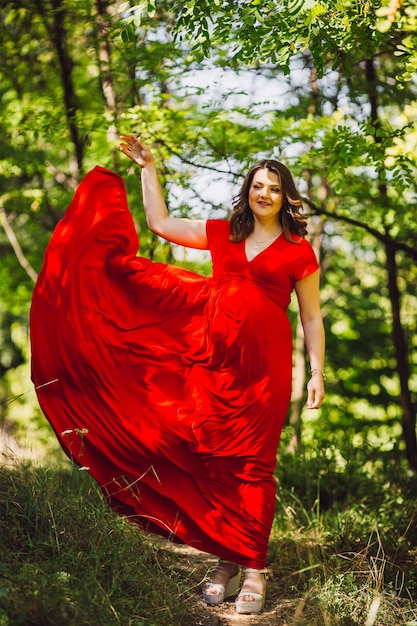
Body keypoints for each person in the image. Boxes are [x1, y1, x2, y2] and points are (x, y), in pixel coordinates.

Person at [30, 133, 325, 616]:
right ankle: (226, 562)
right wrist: (149, 167)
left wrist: (317, 372)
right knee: (213, 459)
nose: (264, 194)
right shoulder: (224, 235)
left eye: (273, 187)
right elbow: (161, 223)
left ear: (284, 195)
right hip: (212, 366)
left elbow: (311, 317)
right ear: (247, 191)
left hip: (265, 371)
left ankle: (253, 568)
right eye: (257, 185)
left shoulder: (297, 251)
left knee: (253, 465)